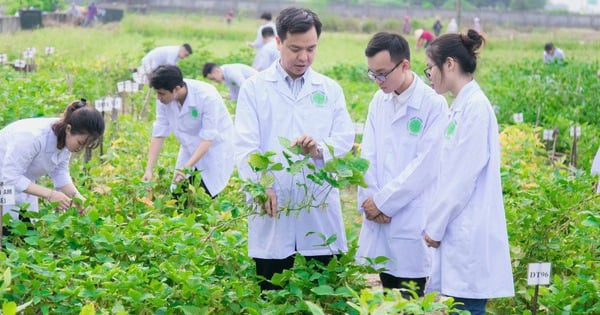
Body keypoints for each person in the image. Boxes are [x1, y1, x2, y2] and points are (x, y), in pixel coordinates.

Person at [235, 7, 355, 291]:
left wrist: (319, 149)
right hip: (272, 202)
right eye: (295, 48)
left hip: (318, 203)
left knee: (327, 289)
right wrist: (262, 183)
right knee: (272, 289)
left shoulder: (329, 89)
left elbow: (345, 136)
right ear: (278, 42)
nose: (304, 57)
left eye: (311, 49)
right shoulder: (254, 89)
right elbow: (245, 145)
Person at [422, 30, 514, 314]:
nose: (429, 75)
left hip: (467, 239)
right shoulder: (462, 106)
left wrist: (434, 228)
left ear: (449, 64)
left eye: (430, 68)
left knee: (468, 307)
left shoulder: (475, 108)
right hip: (459, 235)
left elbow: (461, 179)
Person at [356, 32, 448, 297]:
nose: (378, 81)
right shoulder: (379, 101)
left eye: (383, 73)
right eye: (373, 74)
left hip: (411, 219)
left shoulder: (433, 105)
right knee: (388, 293)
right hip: (380, 218)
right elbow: (368, 155)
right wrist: (371, 201)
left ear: (404, 65)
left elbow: (425, 167)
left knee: (411, 295)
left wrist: (385, 203)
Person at [0, 100, 105, 222]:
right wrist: (50, 194)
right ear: (69, 129)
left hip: (21, 185)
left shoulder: (65, 140)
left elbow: (60, 174)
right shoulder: (32, 136)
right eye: (80, 143)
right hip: (4, 182)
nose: (80, 149)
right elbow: (10, 177)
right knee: (5, 230)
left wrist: (79, 200)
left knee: (24, 231)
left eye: (85, 145)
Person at [141, 65, 235, 198]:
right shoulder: (164, 99)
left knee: (206, 194)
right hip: (189, 145)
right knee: (179, 195)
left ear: (176, 89)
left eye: (161, 93)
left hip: (215, 147)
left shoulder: (207, 96)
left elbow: (208, 138)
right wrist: (149, 169)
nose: (158, 97)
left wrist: (186, 168)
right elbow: (159, 133)